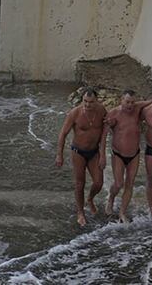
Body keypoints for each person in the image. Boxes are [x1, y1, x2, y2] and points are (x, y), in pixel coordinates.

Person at [56, 88, 107, 226]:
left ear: (96, 101)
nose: (88, 105)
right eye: (85, 101)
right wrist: (59, 155)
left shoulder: (101, 110)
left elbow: (104, 132)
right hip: (78, 152)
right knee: (80, 183)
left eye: (91, 102)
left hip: (94, 152)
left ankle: (90, 199)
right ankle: (80, 212)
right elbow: (63, 134)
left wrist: (103, 154)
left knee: (98, 182)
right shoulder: (75, 113)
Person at [99, 90, 152, 222]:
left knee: (130, 184)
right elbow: (104, 135)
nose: (130, 105)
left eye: (132, 102)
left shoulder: (137, 107)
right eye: (127, 102)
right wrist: (102, 156)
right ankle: (111, 198)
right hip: (118, 154)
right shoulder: (113, 114)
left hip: (134, 154)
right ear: (121, 100)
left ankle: (122, 212)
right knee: (118, 183)